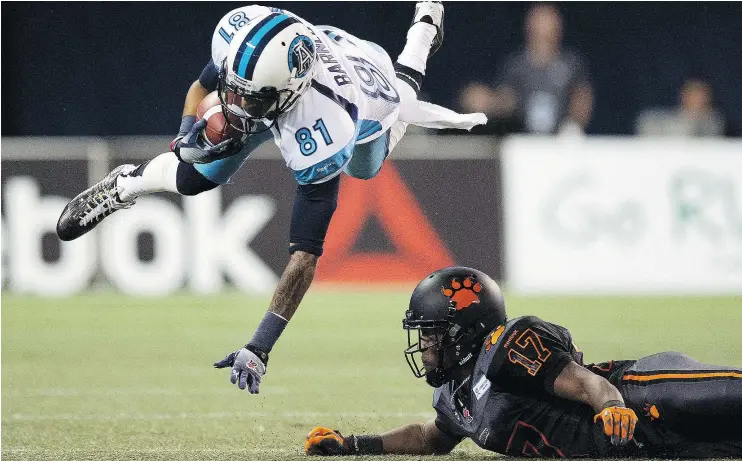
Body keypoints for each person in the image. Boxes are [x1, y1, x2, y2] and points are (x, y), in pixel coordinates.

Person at [56, 3, 487, 395]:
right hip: (306, 65)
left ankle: (426, 26)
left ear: (287, 91)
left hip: (366, 90)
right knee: (194, 178)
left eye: (249, 97)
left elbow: (304, 259)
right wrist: (187, 131)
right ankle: (123, 186)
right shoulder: (248, 45)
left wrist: (260, 345)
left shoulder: (327, 126)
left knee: (378, 141)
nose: (235, 103)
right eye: (234, 89)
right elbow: (201, 86)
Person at [304, 266, 742, 457]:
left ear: (464, 329)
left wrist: (611, 408)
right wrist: (355, 444)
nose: (425, 347)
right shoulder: (455, 395)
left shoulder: (505, 349)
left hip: (644, 394)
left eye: (433, 334)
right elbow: (430, 438)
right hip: (652, 445)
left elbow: (585, 381)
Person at [460, 3, 593, 135]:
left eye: (548, 22)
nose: (543, 29)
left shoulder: (571, 65)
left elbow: (582, 98)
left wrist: (573, 126)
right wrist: (490, 102)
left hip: (560, 140)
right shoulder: (516, 66)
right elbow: (506, 99)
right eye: (539, 22)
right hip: (523, 138)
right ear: (529, 27)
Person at [636, 77, 726, 137]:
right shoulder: (666, 119)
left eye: (701, 96)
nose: (697, 100)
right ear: (684, 96)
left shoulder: (713, 120)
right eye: (693, 95)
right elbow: (645, 123)